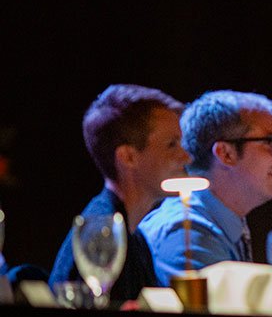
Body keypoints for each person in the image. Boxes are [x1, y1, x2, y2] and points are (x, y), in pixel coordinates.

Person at [49, 84, 188, 301]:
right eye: (172, 144)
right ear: (128, 157)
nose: (186, 157)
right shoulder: (101, 237)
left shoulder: (132, 236)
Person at [140, 90, 272, 285]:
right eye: (270, 142)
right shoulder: (188, 234)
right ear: (225, 153)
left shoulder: (215, 219)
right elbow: (225, 314)